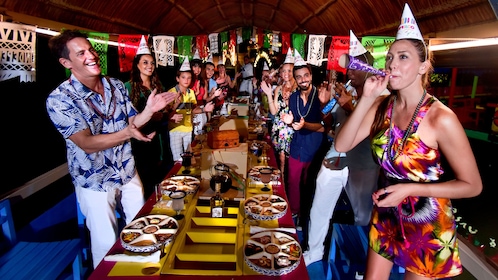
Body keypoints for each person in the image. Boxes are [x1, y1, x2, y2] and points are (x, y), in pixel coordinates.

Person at [334, 4, 482, 279]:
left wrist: (408, 189)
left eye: (403, 57)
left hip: (427, 224)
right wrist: (366, 98)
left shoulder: (441, 118)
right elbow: (342, 145)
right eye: (390, 57)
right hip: (388, 214)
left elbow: (472, 185)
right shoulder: (382, 106)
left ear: (423, 66)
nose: (392, 64)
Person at [45, 30, 177, 268]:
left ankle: (142, 269)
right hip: (94, 179)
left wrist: (148, 111)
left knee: (143, 226)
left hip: (126, 169)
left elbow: (132, 121)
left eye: (91, 49)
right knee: (106, 241)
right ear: (66, 63)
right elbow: (86, 143)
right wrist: (128, 132)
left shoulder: (114, 84)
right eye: (81, 53)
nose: (92, 56)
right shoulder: (60, 100)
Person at [304, 34, 380, 266]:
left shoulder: (380, 96)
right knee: (319, 206)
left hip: (362, 164)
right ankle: (314, 250)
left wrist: (350, 105)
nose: (350, 73)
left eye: (356, 68)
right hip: (334, 159)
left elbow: (373, 129)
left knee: (362, 214)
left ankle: (362, 264)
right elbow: (328, 121)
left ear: (369, 69)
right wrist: (325, 102)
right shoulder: (345, 89)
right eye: (349, 68)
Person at [124, 39, 173, 199]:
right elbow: (125, 118)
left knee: (158, 175)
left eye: (152, 63)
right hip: (138, 141)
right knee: (141, 181)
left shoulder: (158, 87)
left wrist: (165, 115)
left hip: (157, 139)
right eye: (145, 62)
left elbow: (165, 112)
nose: (150, 66)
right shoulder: (127, 88)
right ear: (136, 64)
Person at [281, 50, 326, 226]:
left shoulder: (321, 96)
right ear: (295, 79)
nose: (303, 80)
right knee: (292, 180)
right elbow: (294, 122)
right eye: (299, 77)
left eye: (306, 75)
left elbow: (324, 127)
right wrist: (290, 122)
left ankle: (305, 215)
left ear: (311, 75)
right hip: (297, 145)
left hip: (314, 148)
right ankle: (294, 211)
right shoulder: (292, 98)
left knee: (309, 183)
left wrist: (304, 125)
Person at [167, 57, 214, 161]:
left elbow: (193, 110)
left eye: (189, 78)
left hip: (189, 129)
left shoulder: (191, 93)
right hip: (176, 130)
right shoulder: (171, 93)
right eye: (183, 77)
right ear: (177, 78)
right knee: (178, 160)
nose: (186, 80)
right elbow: (166, 113)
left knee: (189, 157)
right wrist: (176, 104)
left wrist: (204, 110)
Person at [261, 51, 297, 183]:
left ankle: (287, 183)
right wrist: (269, 94)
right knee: (279, 158)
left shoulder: (298, 89)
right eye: (283, 71)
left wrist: (290, 102)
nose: (286, 73)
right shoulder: (278, 89)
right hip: (278, 127)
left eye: (289, 70)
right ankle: (281, 184)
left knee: (286, 159)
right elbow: (274, 111)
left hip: (290, 127)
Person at [190, 52, 208, 135]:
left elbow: (205, 98)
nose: (197, 69)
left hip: (202, 109)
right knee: (195, 135)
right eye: (194, 66)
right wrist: (196, 92)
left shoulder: (203, 81)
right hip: (193, 110)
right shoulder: (188, 81)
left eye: (199, 67)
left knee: (203, 133)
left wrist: (214, 94)